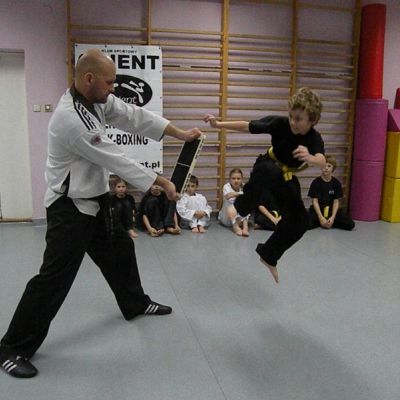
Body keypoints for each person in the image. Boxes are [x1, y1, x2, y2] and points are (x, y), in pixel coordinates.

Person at [0, 48, 202, 378]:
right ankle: (11, 347)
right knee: (54, 278)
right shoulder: (70, 118)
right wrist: (161, 182)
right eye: (109, 82)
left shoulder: (97, 100)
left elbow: (132, 115)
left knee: (121, 250)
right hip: (69, 208)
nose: (113, 88)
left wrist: (178, 132)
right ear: (89, 78)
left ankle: (135, 303)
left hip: (95, 200)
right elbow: (114, 158)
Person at [204, 87, 325, 284]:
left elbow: (321, 160)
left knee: (301, 222)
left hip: (285, 177)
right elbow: (248, 126)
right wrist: (218, 124)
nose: (293, 122)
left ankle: (269, 255)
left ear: (313, 120)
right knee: (270, 171)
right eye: (291, 116)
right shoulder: (279, 123)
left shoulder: (314, 138)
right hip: (267, 166)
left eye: (298, 119)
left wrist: (310, 157)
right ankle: (241, 206)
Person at [307, 155, 355, 231]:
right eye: (324, 166)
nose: (326, 168)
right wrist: (320, 217)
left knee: (350, 224)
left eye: (329, 166)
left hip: (331, 211)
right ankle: (321, 221)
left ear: (333, 168)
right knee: (304, 224)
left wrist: (332, 217)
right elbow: (314, 201)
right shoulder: (316, 182)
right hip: (318, 211)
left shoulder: (336, 183)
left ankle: (329, 222)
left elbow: (336, 202)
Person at [218, 168, 250, 236]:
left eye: (238, 178)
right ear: (229, 179)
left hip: (239, 219)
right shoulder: (226, 186)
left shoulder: (244, 187)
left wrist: (241, 195)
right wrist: (241, 194)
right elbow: (228, 196)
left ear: (242, 179)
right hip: (227, 219)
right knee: (230, 203)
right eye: (233, 178)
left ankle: (245, 227)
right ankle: (235, 227)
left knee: (247, 203)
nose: (236, 181)